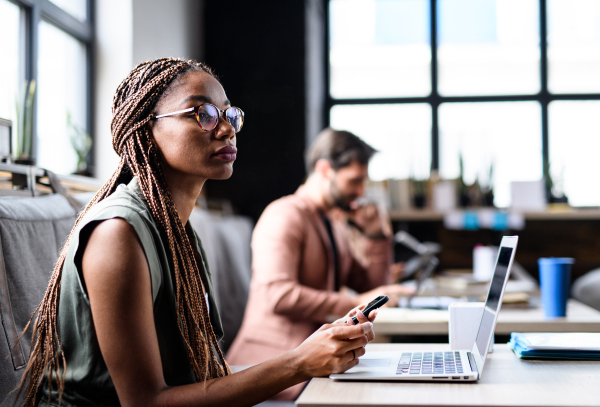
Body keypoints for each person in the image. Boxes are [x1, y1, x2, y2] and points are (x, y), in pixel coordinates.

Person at [15, 58, 377, 407]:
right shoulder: (118, 233)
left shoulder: (178, 230)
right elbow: (145, 403)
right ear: (146, 129)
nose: (226, 129)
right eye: (202, 114)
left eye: (229, 114)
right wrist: (298, 363)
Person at [227, 128, 413, 400]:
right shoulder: (285, 214)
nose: (361, 192)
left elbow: (374, 287)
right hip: (270, 370)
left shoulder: (334, 223)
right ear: (325, 169)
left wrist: (376, 236)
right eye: (354, 181)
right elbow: (278, 295)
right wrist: (357, 300)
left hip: (314, 364)